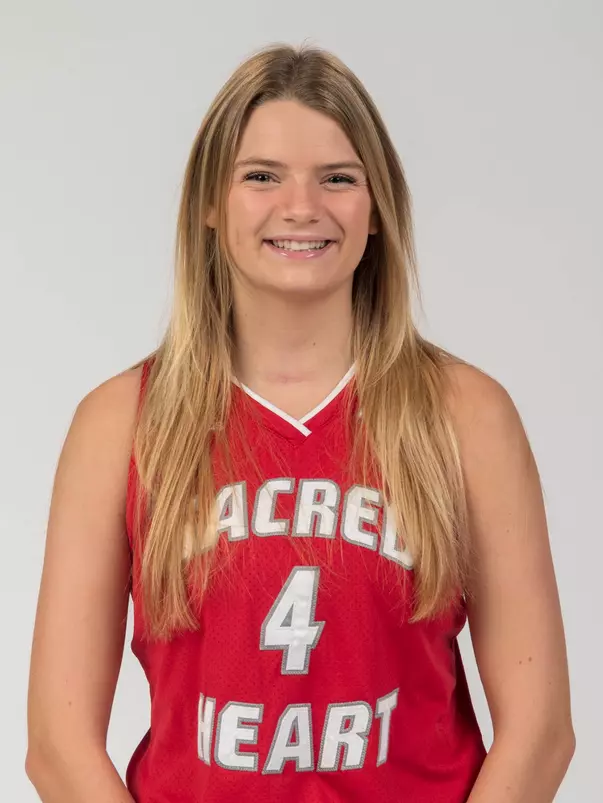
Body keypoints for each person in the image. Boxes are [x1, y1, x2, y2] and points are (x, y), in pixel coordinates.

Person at [25, 42, 575, 803]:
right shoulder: (120, 425)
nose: (300, 207)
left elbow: (540, 730)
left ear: (376, 206)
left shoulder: (464, 416)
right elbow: (58, 746)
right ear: (210, 206)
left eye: (337, 179)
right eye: (261, 176)